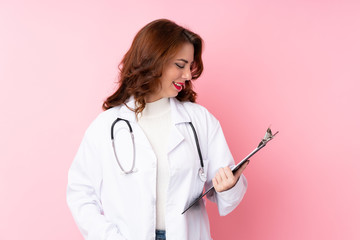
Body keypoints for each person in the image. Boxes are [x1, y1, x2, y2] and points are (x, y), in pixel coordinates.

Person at [66, 19, 248, 240]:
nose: (188, 75)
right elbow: (80, 194)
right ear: (153, 61)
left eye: (190, 66)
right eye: (180, 65)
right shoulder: (107, 126)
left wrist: (229, 186)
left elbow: (225, 192)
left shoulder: (200, 121)